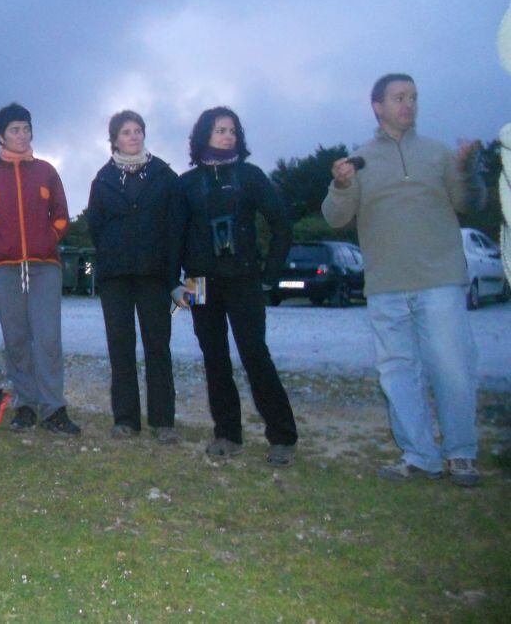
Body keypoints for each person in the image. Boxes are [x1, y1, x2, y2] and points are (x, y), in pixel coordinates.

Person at [322, 74, 486, 487]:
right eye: (399, 98)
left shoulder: (440, 155)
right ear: (377, 106)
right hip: (385, 286)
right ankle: (419, 456)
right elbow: (334, 216)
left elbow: (470, 202)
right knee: (398, 372)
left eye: (413, 97)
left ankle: (461, 454)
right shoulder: (358, 160)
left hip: (440, 280)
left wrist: (469, 170)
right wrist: (341, 186)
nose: (408, 104)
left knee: (452, 368)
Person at [172, 106, 297, 465]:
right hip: (198, 281)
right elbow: (174, 236)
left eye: (232, 131)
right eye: (220, 130)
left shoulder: (251, 176)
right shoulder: (187, 183)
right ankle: (227, 434)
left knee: (255, 354)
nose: (228, 136)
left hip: (243, 278)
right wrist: (173, 282)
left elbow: (282, 224)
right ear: (203, 136)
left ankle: (282, 437)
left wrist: (269, 275)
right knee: (214, 358)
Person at [0, 103, 80, 435]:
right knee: (16, 338)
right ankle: (26, 405)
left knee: (47, 338)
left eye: (26, 128)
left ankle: (53, 409)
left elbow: (62, 214)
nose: (22, 134)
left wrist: (49, 238)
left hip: (44, 266)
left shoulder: (46, 170)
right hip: (3, 266)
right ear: (1, 135)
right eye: (15, 129)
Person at [86, 110, 180, 443]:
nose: (134, 136)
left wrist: (174, 275)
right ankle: (125, 419)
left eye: (138, 130)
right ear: (114, 139)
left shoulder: (164, 175)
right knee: (120, 347)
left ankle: (163, 421)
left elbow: (175, 225)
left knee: (158, 347)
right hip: (116, 277)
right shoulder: (103, 179)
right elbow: (95, 226)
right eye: (127, 132)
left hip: (154, 275)